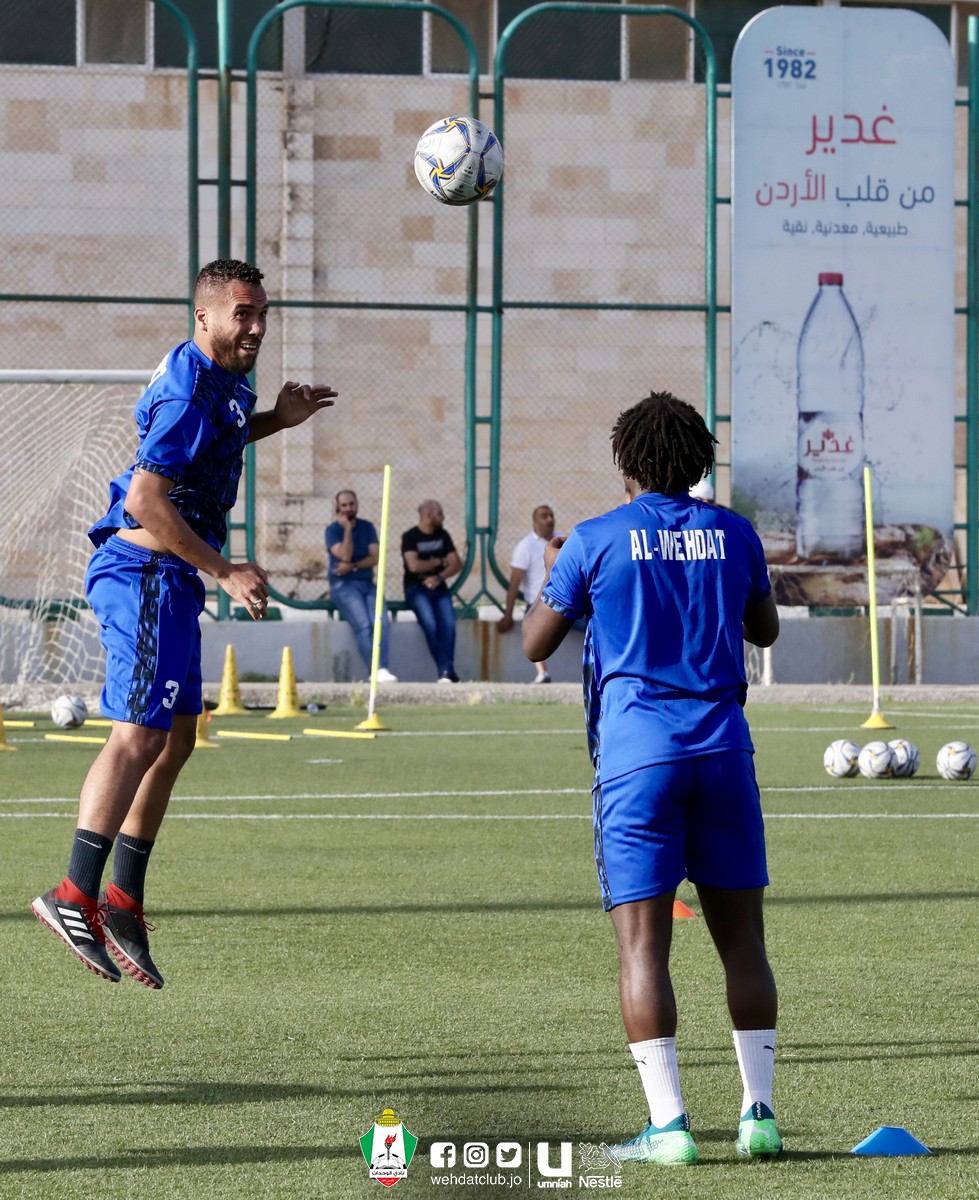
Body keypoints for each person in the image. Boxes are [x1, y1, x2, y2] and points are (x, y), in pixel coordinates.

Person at [30, 258, 338, 989]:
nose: (256, 327)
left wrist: (277, 420)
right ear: (204, 317)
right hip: (143, 572)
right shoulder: (189, 389)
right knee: (138, 736)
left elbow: (214, 440)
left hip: (168, 577)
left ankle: (123, 901)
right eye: (242, 314)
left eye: (261, 313)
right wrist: (224, 570)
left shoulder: (224, 381)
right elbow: (145, 499)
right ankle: (72, 893)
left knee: (175, 740)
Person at [522, 390, 781, 1166]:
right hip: (723, 751)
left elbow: (536, 642)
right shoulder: (734, 532)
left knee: (643, 950)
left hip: (637, 758)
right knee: (744, 944)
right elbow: (764, 629)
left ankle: (668, 1127)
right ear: (699, 460)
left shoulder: (595, 538)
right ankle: (758, 1116)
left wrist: (572, 586)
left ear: (625, 463)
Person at [325, 489, 397, 683]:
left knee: (381, 621)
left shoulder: (367, 527)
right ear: (338, 508)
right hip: (343, 585)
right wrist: (347, 530)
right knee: (364, 625)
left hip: (366, 583)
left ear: (357, 504)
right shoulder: (333, 530)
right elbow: (344, 555)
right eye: (344, 505)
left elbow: (375, 557)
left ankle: (382, 668)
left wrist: (353, 566)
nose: (348, 508)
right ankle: (376, 669)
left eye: (351, 504)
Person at [401, 500, 462, 682]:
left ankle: (446, 671)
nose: (443, 517)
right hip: (416, 588)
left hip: (439, 586)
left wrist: (439, 577)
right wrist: (439, 562)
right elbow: (413, 566)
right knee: (431, 624)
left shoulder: (443, 535)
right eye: (440, 513)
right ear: (429, 514)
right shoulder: (410, 537)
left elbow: (456, 563)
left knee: (449, 625)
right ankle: (446, 670)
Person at [498, 504, 557, 683]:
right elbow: (514, 582)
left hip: (565, 600)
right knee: (532, 630)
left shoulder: (562, 541)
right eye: (544, 516)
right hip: (538, 602)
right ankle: (542, 673)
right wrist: (508, 615)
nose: (549, 519)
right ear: (534, 522)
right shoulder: (525, 546)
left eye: (551, 515)